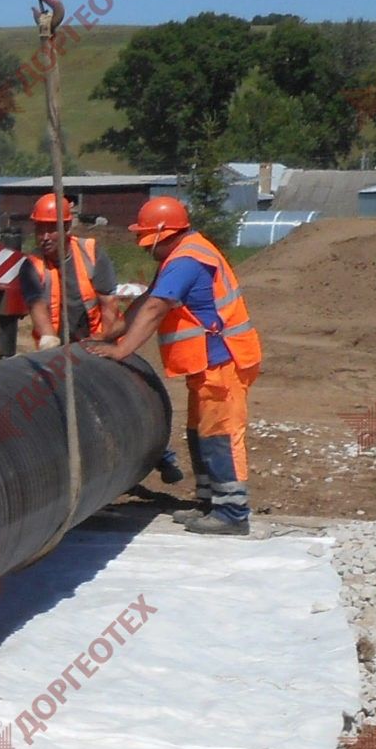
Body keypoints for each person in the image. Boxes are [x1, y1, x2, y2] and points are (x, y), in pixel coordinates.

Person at [85, 194, 263, 534]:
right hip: (208, 363)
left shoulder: (186, 261)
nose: (141, 245)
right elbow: (146, 301)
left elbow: (156, 309)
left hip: (222, 360)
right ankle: (212, 504)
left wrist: (120, 352)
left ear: (161, 233)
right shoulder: (180, 255)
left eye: (144, 237)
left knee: (221, 434)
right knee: (200, 433)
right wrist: (112, 335)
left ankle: (232, 514)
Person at [17, 191, 119, 348]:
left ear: (67, 228)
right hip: (56, 347)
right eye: (39, 229)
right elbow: (37, 306)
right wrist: (50, 342)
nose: (44, 237)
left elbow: (108, 303)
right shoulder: (32, 266)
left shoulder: (91, 252)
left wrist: (105, 342)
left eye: (51, 229)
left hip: (95, 339)